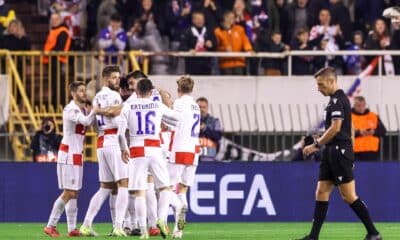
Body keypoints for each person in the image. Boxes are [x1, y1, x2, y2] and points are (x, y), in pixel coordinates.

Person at [297, 67, 382, 240]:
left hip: (338, 153)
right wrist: (318, 138)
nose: (318, 88)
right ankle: (313, 237)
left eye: (321, 84)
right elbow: (345, 128)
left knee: (349, 196)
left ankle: (374, 233)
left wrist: (316, 144)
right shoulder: (335, 101)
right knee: (321, 191)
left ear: (331, 81)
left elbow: (336, 128)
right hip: (332, 151)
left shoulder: (337, 100)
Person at [118, 78, 180, 239]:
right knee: (165, 188)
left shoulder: (128, 106)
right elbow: (176, 118)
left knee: (139, 192)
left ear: (136, 91)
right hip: (155, 149)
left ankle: (144, 231)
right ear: (151, 92)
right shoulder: (157, 105)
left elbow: (120, 134)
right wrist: (165, 119)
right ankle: (161, 218)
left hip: (137, 151)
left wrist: (124, 149)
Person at [79, 65, 129, 237]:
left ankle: (86, 225)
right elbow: (116, 113)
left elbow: (92, 122)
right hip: (114, 140)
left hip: (101, 142)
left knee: (105, 187)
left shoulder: (97, 97)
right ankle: (118, 226)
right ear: (107, 78)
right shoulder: (114, 95)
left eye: (118, 77)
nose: (118, 80)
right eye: (115, 77)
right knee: (124, 184)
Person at [43, 81, 95, 237]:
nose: (84, 93)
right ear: (73, 93)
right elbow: (86, 122)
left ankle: (72, 229)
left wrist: (92, 111)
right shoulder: (70, 109)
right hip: (68, 155)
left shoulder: (82, 109)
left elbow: (89, 123)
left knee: (75, 193)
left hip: (77, 154)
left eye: (84, 90)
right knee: (69, 192)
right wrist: (96, 109)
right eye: (80, 91)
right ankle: (50, 225)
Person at [167, 75, 200, 238]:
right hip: (193, 152)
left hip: (179, 149)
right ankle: (178, 231)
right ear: (191, 89)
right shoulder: (196, 106)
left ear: (178, 88)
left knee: (168, 188)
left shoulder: (179, 103)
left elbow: (173, 124)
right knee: (182, 190)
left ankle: (179, 208)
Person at [43, 12, 72, 107]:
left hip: (57, 61)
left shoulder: (62, 31)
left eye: (56, 19)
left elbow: (60, 47)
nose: (54, 21)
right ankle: (56, 105)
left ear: (60, 20)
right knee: (55, 85)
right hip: (52, 61)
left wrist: (49, 52)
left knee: (58, 85)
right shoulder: (54, 30)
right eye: (52, 19)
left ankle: (59, 106)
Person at [214, 10, 253, 75]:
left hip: (239, 62)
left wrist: (249, 50)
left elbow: (245, 42)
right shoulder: (218, 31)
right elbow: (216, 46)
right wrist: (224, 49)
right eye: (229, 17)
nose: (232, 19)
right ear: (224, 18)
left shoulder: (240, 29)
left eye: (233, 18)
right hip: (225, 64)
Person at [351, 96, 386, 161]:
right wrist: (358, 132)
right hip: (354, 151)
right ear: (354, 105)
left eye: (363, 105)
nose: (361, 108)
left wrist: (374, 132)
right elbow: (343, 132)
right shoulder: (348, 116)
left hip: (371, 151)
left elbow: (383, 131)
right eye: (358, 106)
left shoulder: (373, 116)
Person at [196, 97, 222, 161]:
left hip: (209, 157)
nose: (202, 109)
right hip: (194, 156)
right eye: (199, 107)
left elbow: (218, 136)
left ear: (207, 108)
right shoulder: (191, 121)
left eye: (204, 107)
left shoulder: (215, 121)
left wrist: (205, 129)